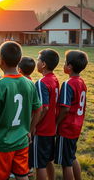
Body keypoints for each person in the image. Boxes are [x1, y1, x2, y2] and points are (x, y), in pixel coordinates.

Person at [0, 41, 42, 180]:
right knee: (22, 175)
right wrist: (31, 130)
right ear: (19, 60)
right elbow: (39, 109)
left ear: (0, 60)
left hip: (1, 142)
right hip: (22, 140)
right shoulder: (29, 83)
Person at [55, 50, 88, 180]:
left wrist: (57, 124)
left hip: (66, 128)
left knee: (66, 163)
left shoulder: (68, 83)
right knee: (71, 157)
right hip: (76, 126)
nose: (63, 65)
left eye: (64, 63)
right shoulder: (82, 82)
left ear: (69, 67)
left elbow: (65, 109)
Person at [29, 49, 60, 180]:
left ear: (43, 64)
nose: (36, 62)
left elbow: (43, 108)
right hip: (51, 128)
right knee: (47, 161)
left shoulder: (42, 82)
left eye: (38, 60)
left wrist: (33, 127)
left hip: (42, 130)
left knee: (39, 165)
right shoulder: (55, 78)